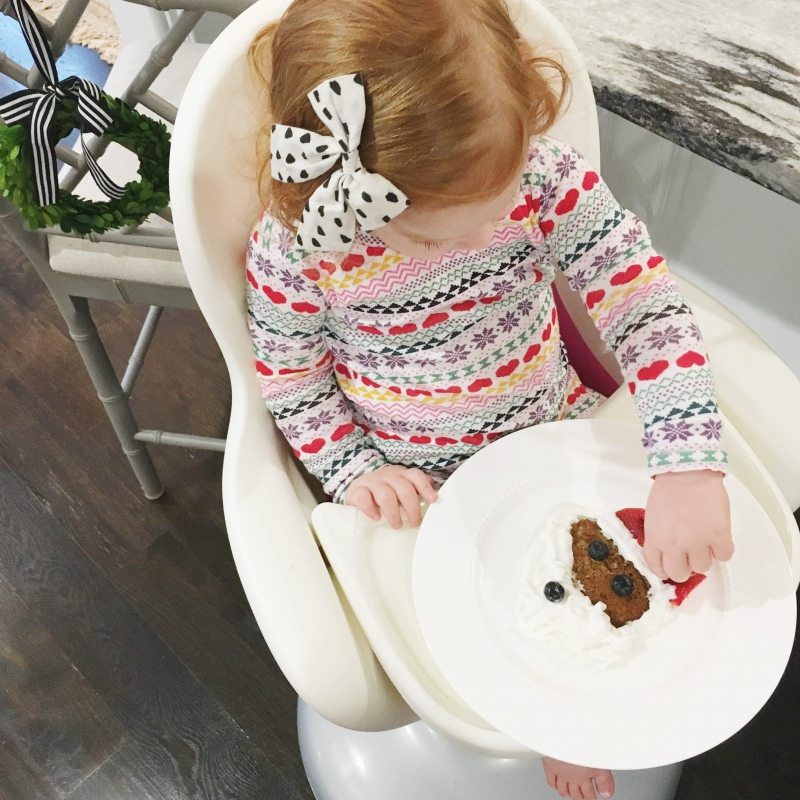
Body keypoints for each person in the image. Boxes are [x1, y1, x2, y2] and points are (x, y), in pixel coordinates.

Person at [246, 1, 733, 797]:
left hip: (553, 430)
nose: (480, 240)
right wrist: (355, 468)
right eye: (434, 237)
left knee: (618, 598)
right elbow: (291, 382)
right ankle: (553, 726)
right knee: (493, 622)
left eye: (497, 206)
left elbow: (643, 306)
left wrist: (688, 464)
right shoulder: (302, 249)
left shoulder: (541, 177)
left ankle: (579, 710)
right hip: (422, 487)